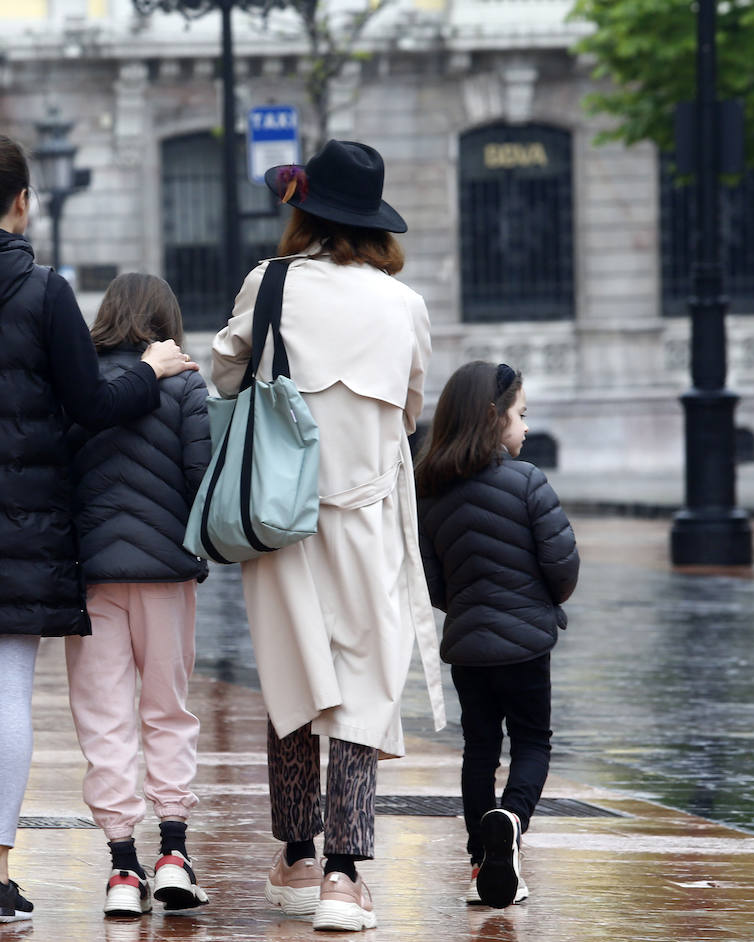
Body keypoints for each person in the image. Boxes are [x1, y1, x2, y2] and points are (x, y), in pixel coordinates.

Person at [0, 131, 198, 924]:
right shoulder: (43, 290)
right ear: (21, 201)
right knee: (6, 683)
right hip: (21, 524)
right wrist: (148, 373)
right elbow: (91, 403)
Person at [211, 140, 445, 933]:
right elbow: (411, 410)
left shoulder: (269, 283)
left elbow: (224, 372)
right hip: (368, 515)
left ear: (304, 211)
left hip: (281, 513)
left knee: (292, 681)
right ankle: (345, 878)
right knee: (362, 690)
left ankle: (297, 855)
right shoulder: (403, 304)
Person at [64, 273, 212, 918]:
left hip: (91, 575)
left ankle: (123, 868)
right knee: (167, 711)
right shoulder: (183, 383)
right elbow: (200, 478)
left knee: (104, 721)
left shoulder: (77, 384)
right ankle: (173, 854)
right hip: (166, 576)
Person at [414, 361, 579, 909]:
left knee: (479, 749)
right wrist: (539, 603)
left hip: (468, 647)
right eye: (521, 414)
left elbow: (431, 582)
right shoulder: (528, 481)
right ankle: (510, 821)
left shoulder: (430, 493)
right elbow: (562, 566)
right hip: (528, 644)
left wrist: (468, 605)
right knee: (532, 741)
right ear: (493, 417)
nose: (526, 427)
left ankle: (481, 863)